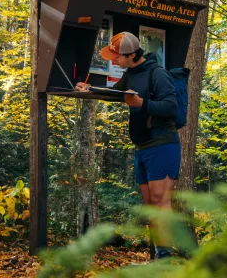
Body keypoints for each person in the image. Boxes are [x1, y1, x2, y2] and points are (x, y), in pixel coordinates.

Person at [75, 31, 179, 259]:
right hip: (142, 146)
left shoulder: (157, 73)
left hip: (162, 144)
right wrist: (90, 89)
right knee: (150, 203)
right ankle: (159, 256)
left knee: (161, 202)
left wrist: (143, 103)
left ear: (132, 54)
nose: (113, 61)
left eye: (116, 57)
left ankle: (165, 260)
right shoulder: (131, 73)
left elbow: (172, 106)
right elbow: (115, 94)